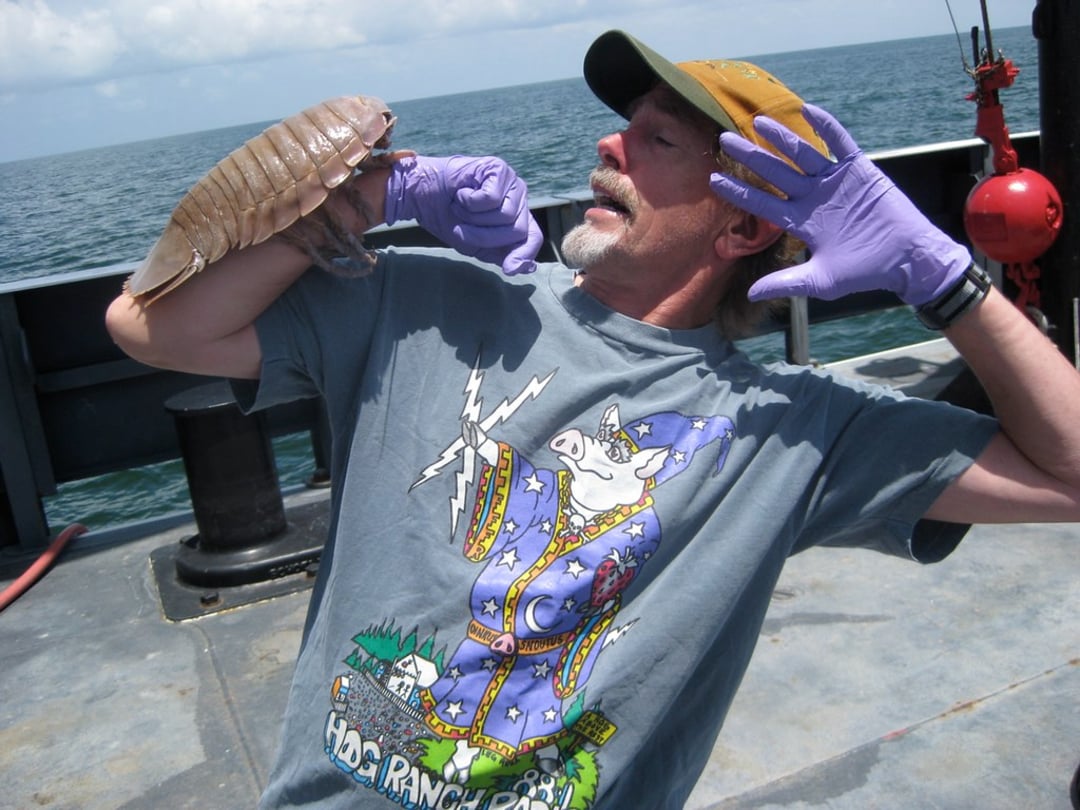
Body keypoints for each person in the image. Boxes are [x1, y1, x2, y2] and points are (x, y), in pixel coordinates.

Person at [106, 29, 1080, 810]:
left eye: (659, 141)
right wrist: (370, 193)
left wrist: (943, 282)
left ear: (742, 228)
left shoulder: (796, 431)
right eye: (624, 125)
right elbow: (152, 326)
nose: (610, 144)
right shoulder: (423, 298)